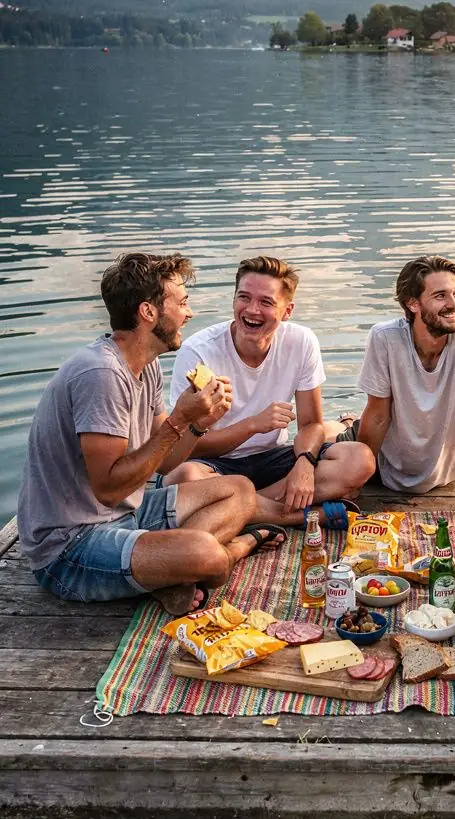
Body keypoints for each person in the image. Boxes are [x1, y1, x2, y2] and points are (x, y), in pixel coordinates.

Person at [17, 252, 275, 606]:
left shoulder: (147, 365)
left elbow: (166, 464)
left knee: (240, 492)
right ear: (148, 312)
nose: (189, 312)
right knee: (209, 556)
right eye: (182, 303)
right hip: (70, 546)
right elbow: (108, 489)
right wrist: (179, 420)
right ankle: (230, 550)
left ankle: (168, 570)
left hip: (126, 514)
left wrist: (198, 425)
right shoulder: (101, 374)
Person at [163, 255, 374, 526]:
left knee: (360, 459)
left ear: (287, 311)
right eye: (244, 297)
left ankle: (236, 510)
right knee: (182, 479)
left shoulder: (301, 341)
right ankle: (292, 515)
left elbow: (310, 424)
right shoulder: (199, 352)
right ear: (233, 300)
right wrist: (252, 425)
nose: (252, 310)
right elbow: (189, 447)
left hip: (274, 460)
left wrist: (305, 463)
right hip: (216, 465)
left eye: (266, 302)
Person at [338, 254, 455, 492]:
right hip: (385, 464)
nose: (454, 304)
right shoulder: (384, 338)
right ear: (413, 303)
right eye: (440, 295)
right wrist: (356, 484)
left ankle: (348, 422)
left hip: (447, 471)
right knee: (328, 444)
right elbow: (378, 417)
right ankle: (345, 425)